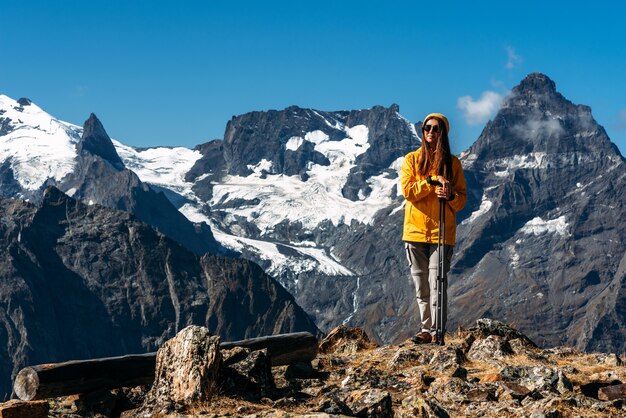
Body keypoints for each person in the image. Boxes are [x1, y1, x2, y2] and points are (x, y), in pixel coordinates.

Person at [400, 113, 466, 344]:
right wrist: (431, 182)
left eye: (436, 129)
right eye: (426, 127)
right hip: (415, 232)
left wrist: (449, 196)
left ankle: (438, 331)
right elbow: (408, 191)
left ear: (443, 133)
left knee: (438, 281)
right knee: (421, 285)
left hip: (441, 232)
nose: (430, 132)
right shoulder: (411, 160)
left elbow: (461, 200)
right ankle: (426, 329)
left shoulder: (453, 164)